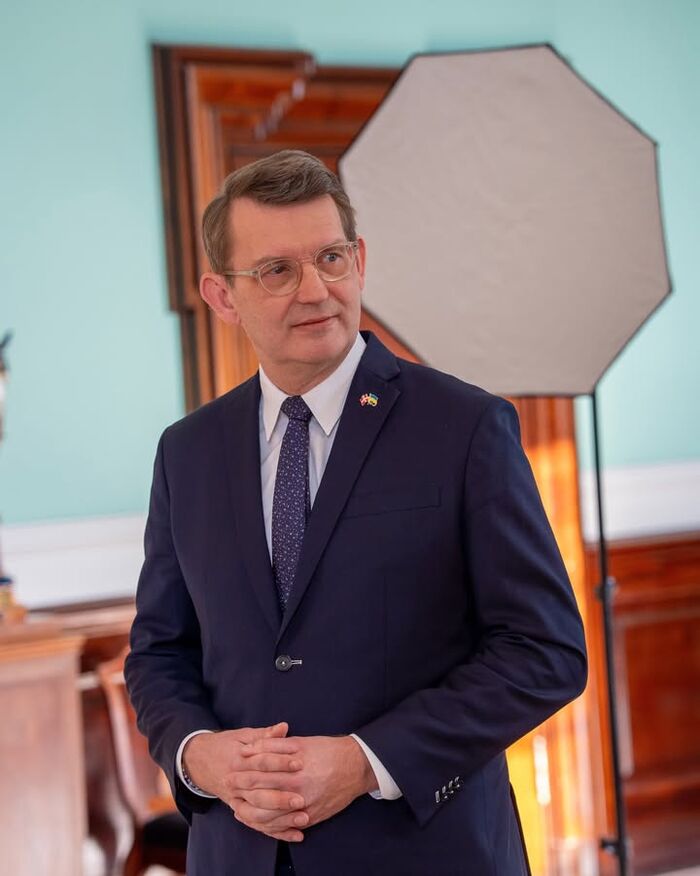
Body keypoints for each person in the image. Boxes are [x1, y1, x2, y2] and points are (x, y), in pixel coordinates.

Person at [125, 150, 587, 876]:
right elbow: (160, 651)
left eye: (330, 258)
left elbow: (545, 650)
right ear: (222, 296)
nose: (315, 290)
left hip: (427, 855)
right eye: (276, 270)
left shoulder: (465, 427)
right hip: (239, 855)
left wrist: (367, 761)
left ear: (360, 261)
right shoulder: (185, 452)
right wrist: (197, 754)